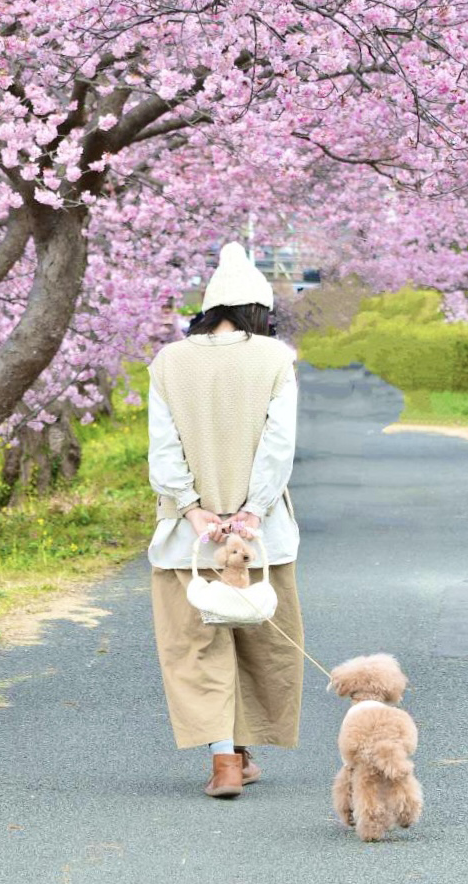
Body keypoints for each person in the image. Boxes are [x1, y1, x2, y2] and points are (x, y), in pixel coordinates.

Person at [147, 242, 303, 799]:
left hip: (188, 539)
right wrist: (252, 511)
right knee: (261, 643)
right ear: (257, 312)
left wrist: (192, 510)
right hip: (258, 538)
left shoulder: (169, 361)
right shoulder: (275, 358)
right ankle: (241, 751)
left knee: (197, 644)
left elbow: (163, 449)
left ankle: (226, 763)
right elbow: (278, 445)